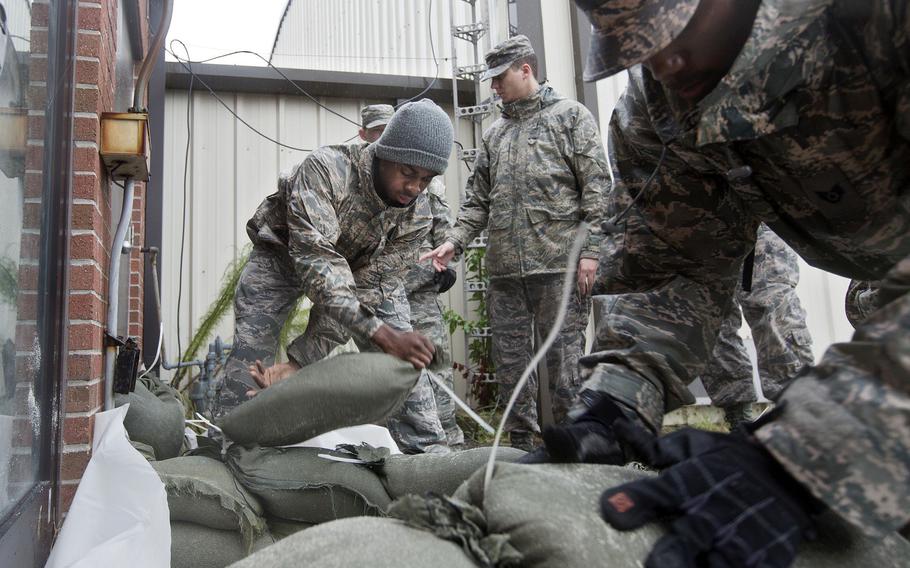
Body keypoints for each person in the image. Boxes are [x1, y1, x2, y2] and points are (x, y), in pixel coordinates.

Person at [546, 0, 909, 565]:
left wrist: (804, 456)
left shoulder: (880, 22)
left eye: (675, 30)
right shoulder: (662, 110)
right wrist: (620, 394)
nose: (666, 62)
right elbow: (684, 261)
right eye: (638, 46)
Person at [216, 99, 455, 454]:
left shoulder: (418, 214)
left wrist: (302, 360)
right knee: (252, 352)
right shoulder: (327, 170)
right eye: (408, 172)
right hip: (282, 258)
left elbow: (367, 290)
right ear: (384, 152)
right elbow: (321, 267)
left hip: (355, 277)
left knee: (404, 362)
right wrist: (382, 333)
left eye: (426, 178)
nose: (415, 188)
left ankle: (428, 456)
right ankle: (228, 446)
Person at [421, 35, 609, 451]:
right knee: (512, 367)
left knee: (564, 368)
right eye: (490, 80)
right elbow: (477, 203)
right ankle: (521, 445)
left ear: (526, 70)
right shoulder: (495, 135)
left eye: (499, 77)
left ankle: (572, 447)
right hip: (506, 273)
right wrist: (454, 242)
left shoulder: (571, 118)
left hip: (559, 268)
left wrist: (592, 253)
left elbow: (597, 191)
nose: (493, 87)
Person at [358, 102, 465, 445]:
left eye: (385, 129)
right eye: (375, 132)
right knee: (390, 379)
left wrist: (442, 265)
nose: (381, 137)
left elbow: (444, 234)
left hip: (420, 298)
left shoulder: (423, 185)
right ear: (366, 135)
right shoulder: (360, 183)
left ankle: (449, 446)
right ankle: (399, 452)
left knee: (436, 376)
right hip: (382, 299)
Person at [700, 224, 814, 428]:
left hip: (759, 213)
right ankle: (738, 418)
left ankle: (801, 411)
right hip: (701, 218)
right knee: (711, 313)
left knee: (771, 303)